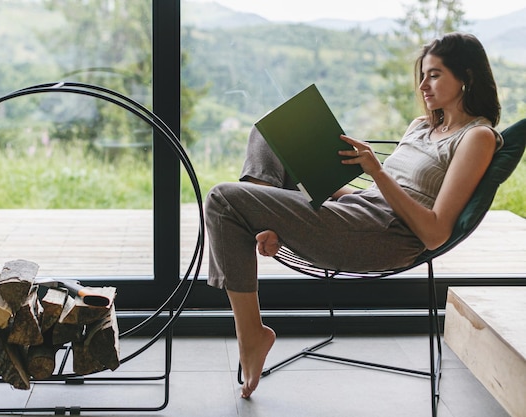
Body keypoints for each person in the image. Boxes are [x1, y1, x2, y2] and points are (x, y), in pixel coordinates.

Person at [204, 32, 503, 399]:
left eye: (435, 75)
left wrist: (376, 170)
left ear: (466, 77)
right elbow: (374, 197)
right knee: (273, 132)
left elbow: (435, 233)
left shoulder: (477, 137)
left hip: (381, 236)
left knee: (222, 198)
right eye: (422, 75)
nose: (423, 85)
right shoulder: (421, 126)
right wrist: (334, 178)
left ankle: (251, 332)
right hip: (357, 211)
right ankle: (266, 225)